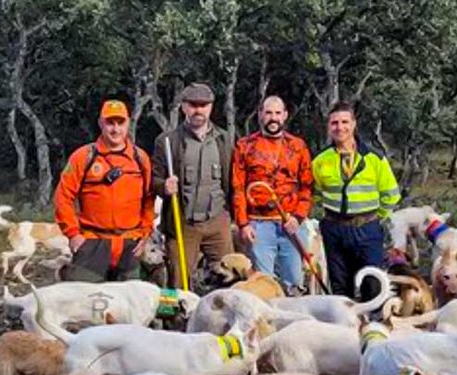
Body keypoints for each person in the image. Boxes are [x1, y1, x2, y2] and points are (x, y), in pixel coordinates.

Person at [54, 100, 154, 283]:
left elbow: (149, 199)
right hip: (93, 241)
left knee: (130, 304)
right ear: (101, 123)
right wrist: (73, 234)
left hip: (130, 243)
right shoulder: (83, 156)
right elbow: (63, 197)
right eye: (110, 123)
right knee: (85, 301)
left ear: (128, 123)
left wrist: (145, 233)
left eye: (120, 122)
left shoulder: (140, 158)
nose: (115, 129)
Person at [312, 101, 401, 298]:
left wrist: (376, 217)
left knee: (372, 284)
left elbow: (392, 194)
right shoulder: (320, 161)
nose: (340, 127)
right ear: (328, 127)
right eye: (334, 123)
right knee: (340, 286)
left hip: (367, 229)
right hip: (335, 229)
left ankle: (374, 325)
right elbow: (315, 194)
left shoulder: (374, 158)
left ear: (353, 124)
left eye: (345, 122)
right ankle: (345, 327)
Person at [151, 83, 234, 289]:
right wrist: (164, 187)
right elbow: (153, 180)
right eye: (193, 105)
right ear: (183, 107)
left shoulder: (225, 139)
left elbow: (233, 180)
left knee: (231, 279)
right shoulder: (167, 141)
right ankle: (174, 321)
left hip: (218, 222)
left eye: (203, 105)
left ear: (211, 107)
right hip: (183, 222)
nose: (198, 110)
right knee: (177, 283)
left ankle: (221, 319)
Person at [232, 95, 314, 293]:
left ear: (285, 116)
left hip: (291, 225)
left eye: (278, 113)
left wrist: (298, 217)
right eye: (268, 113)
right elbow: (238, 187)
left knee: (294, 283)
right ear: (260, 115)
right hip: (258, 225)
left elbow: (307, 186)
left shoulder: (298, 146)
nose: (273, 118)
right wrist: (243, 223)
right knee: (262, 284)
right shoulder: (244, 146)